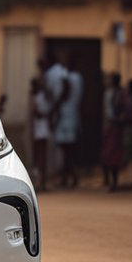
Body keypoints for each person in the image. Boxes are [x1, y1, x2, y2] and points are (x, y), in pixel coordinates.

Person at [51, 53, 82, 188]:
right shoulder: (79, 78)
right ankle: (70, 177)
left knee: (65, 150)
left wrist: (56, 106)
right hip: (73, 115)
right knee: (69, 150)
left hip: (66, 117)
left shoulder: (68, 78)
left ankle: (69, 177)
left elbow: (65, 92)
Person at [101, 72, 125, 191]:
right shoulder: (108, 93)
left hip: (115, 126)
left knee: (114, 155)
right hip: (109, 126)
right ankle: (109, 180)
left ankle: (114, 182)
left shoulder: (120, 94)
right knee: (108, 154)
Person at [30, 78, 51, 191]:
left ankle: (42, 182)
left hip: (41, 127)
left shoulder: (42, 96)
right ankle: (39, 181)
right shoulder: (36, 97)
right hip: (37, 127)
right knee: (38, 155)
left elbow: (39, 112)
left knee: (41, 155)